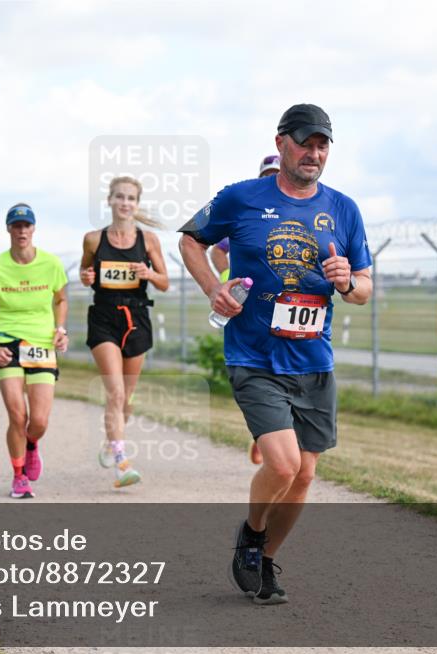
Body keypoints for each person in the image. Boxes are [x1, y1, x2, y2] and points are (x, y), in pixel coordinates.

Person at [178, 103, 373, 605]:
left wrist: (348, 281)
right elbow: (190, 241)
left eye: (322, 144)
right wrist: (212, 290)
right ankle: (251, 533)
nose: (314, 153)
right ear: (281, 142)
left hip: (314, 360)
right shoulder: (241, 197)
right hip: (255, 355)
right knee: (283, 467)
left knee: (306, 475)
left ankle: (264, 561)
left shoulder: (344, 208)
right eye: (305, 142)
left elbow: (365, 288)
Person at [79, 176, 169, 489]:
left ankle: (109, 441)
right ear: (110, 201)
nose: (125, 203)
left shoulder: (149, 241)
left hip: (137, 319)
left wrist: (149, 273)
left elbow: (165, 282)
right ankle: (121, 461)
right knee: (115, 392)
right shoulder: (93, 239)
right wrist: (87, 277)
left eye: (131, 198)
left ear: (136, 204)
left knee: (126, 399)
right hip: (104, 318)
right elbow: (85, 272)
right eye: (120, 197)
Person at [0, 203, 68, 499]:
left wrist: (60, 329)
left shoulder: (51, 264)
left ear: (34, 229)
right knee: (17, 415)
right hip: (7, 344)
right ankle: (18, 477)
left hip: (41, 345)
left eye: (26, 225)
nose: (22, 231)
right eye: (17, 226)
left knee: (38, 421)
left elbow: (61, 300)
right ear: (8, 230)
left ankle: (31, 445)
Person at [210, 155, 281, 283]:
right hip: (250, 295)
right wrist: (227, 276)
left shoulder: (302, 211)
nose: (271, 181)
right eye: (266, 176)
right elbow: (218, 250)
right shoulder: (247, 214)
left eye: (277, 175)